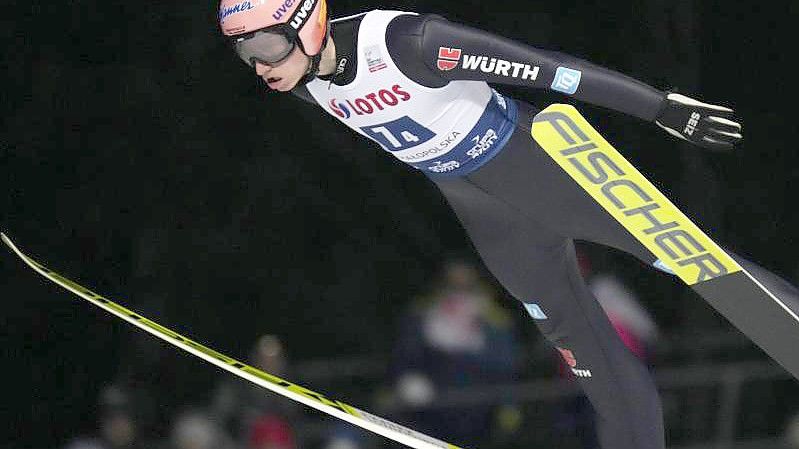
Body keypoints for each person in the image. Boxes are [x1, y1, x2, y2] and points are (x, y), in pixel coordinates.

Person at [215, 2, 799, 449]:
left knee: (702, 266)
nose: (260, 65)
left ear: (310, 22)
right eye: (244, 54)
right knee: (586, 355)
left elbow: (552, 72)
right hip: (490, 220)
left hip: (539, 170)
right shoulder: (307, 88)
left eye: (266, 44)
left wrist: (662, 108)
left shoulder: (409, 43)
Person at [389, 258, 521, 447]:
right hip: (433, 393)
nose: (459, 286)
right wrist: (407, 378)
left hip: (476, 396)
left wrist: (509, 403)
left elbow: (506, 364)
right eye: (453, 280)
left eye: (465, 281)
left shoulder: (494, 317)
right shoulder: (425, 311)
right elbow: (406, 352)